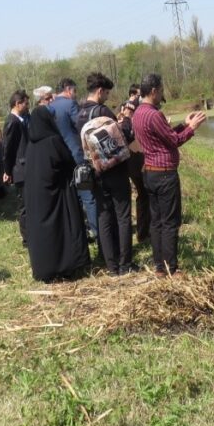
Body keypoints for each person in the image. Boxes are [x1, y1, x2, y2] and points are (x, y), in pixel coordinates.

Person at [132, 73, 207, 277]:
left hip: (149, 173)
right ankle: (172, 268)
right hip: (164, 175)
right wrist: (192, 128)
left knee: (156, 222)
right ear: (154, 90)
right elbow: (174, 141)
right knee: (170, 222)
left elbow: (166, 136)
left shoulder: (139, 113)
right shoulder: (154, 114)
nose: (163, 93)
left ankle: (159, 267)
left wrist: (184, 124)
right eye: (162, 90)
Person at [77, 72, 137, 275]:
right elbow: (123, 138)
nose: (108, 97)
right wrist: (127, 119)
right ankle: (125, 264)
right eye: (107, 93)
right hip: (115, 171)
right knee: (122, 216)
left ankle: (111, 266)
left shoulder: (80, 114)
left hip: (95, 172)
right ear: (100, 91)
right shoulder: (102, 111)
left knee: (104, 216)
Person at [23, 105, 90, 282]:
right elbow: (68, 161)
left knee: (45, 234)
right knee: (62, 229)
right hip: (58, 195)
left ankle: (46, 269)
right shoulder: (53, 141)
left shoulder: (31, 146)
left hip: (37, 198)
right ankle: (67, 265)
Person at [49, 78, 99, 237]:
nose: (75, 95)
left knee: (72, 197)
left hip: (59, 158)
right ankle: (96, 232)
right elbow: (82, 127)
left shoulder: (49, 107)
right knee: (88, 196)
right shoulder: (70, 104)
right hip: (76, 156)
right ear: (69, 89)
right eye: (75, 91)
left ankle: (79, 232)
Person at [1, 90, 30, 245]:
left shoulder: (21, 120)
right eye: (26, 103)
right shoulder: (12, 122)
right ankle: (27, 239)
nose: (27, 106)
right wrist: (7, 171)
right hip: (20, 169)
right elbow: (7, 149)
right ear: (18, 104)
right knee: (24, 206)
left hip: (23, 168)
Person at [122, 86, 150, 243]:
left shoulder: (129, 110)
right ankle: (143, 232)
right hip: (135, 158)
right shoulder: (129, 110)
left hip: (135, 158)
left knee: (143, 195)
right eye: (138, 94)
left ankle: (143, 231)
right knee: (144, 194)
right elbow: (129, 134)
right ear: (132, 95)